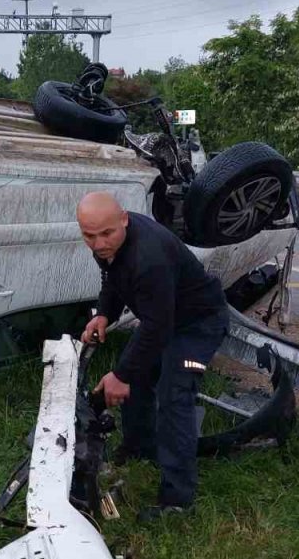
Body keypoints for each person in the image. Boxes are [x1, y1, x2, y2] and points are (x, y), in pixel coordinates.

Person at [76, 192, 230, 520]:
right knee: (138, 374)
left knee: (174, 394)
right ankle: (139, 446)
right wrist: (104, 313)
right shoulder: (108, 243)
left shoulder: (149, 258)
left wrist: (120, 375)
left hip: (198, 323)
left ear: (124, 221)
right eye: (89, 236)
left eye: (106, 234)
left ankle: (176, 501)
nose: (99, 244)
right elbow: (114, 279)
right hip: (165, 318)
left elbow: (158, 326)